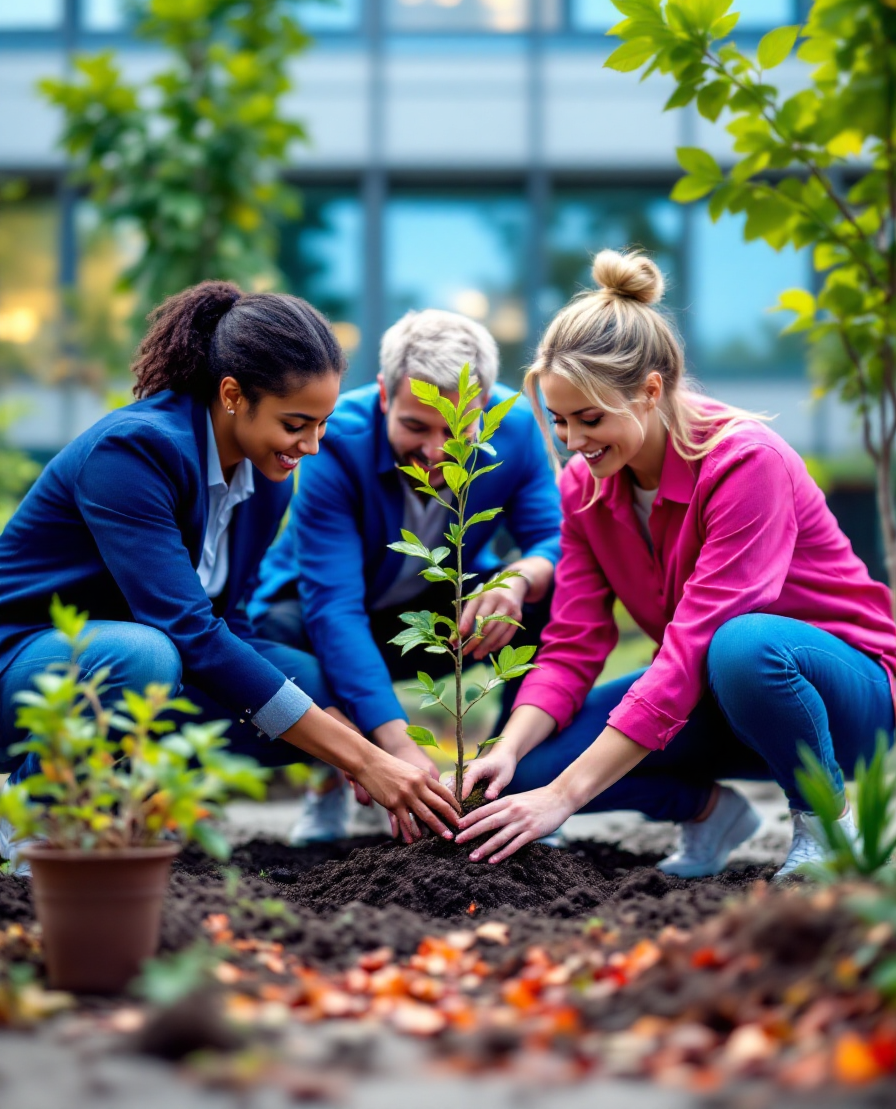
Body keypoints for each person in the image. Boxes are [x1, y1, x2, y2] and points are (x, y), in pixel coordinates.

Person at [454, 249, 896, 878]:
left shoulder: (745, 463)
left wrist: (566, 799)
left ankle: (827, 827)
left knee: (743, 645)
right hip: (715, 696)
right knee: (525, 775)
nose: (574, 443)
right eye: (558, 422)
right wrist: (510, 747)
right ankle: (709, 813)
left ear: (650, 391)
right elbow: (572, 643)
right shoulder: (585, 487)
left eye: (590, 418)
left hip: (844, 697)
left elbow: (695, 644)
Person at [0, 282, 458, 873]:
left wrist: (350, 743)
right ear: (233, 394)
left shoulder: (266, 478)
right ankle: (31, 823)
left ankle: (128, 792)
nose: (312, 446)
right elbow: (190, 632)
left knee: (315, 683)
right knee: (147, 656)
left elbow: (230, 623)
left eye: (321, 424)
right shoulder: (133, 454)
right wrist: (365, 758)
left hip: (116, 673)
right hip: (24, 668)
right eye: (296, 423)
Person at [250, 308, 562, 842]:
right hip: (317, 621)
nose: (436, 451)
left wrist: (521, 576)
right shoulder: (335, 443)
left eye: (456, 430)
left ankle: (511, 787)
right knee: (281, 639)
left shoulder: (516, 429)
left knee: (545, 602)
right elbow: (335, 611)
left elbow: (557, 540)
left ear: (483, 405)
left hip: (438, 611)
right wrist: (398, 750)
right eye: (415, 426)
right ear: (384, 394)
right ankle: (334, 776)